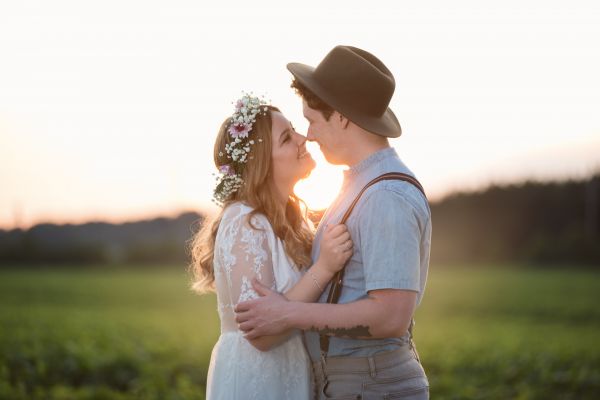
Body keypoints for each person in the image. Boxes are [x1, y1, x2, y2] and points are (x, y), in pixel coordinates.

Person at [235, 46, 432, 399]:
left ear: (340, 117)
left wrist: (290, 315)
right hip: (354, 382)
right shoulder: (359, 185)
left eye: (312, 120)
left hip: (371, 383)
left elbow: (390, 316)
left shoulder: (386, 195)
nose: (308, 135)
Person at [189, 93, 354, 400]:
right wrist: (325, 267)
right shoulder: (244, 221)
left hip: (293, 372)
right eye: (287, 138)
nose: (304, 138)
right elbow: (261, 335)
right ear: (261, 163)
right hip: (258, 380)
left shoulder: (294, 221)